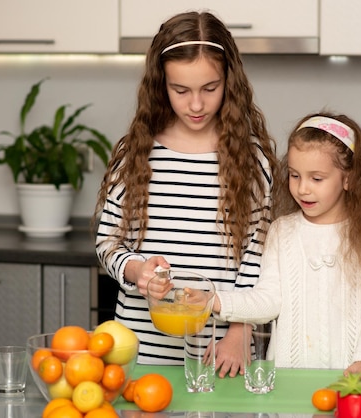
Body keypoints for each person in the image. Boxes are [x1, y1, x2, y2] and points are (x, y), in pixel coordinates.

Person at [94, 11, 278, 378]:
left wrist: (241, 333)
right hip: (140, 348)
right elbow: (108, 244)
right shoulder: (135, 154)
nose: (196, 105)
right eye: (181, 90)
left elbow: (258, 261)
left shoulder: (251, 160)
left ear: (230, 81)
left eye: (210, 88)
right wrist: (137, 270)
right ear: (161, 85)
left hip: (221, 351)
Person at [213, 111, 361, 381]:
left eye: (316, 179)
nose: (303, 188)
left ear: (348, 178)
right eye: (295, 176)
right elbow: (268, 301)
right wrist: (214, 300)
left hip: (348, 382)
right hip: (285, 382)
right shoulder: (282, 231)